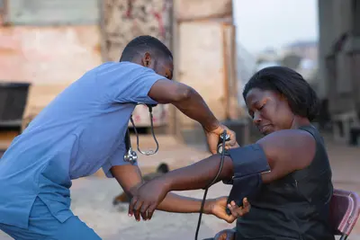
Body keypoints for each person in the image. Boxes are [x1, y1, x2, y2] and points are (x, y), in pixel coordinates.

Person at [0, 35, 239, 240]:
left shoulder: (113, 122)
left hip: (26, 190)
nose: (164, 84)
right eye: (165, 75)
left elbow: (139, 191)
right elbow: (182, 93)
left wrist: (208, 206)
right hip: (30, 190)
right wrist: (213, 127)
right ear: (146, 60)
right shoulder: (119, 72)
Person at [129, 66, 335, 240]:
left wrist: (164, 182)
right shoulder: (292, 142)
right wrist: (237, 232)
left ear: (287, 96)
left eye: (261, 107)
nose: (256, 118)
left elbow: (228, 165)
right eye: (252, 113)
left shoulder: (298, 140)